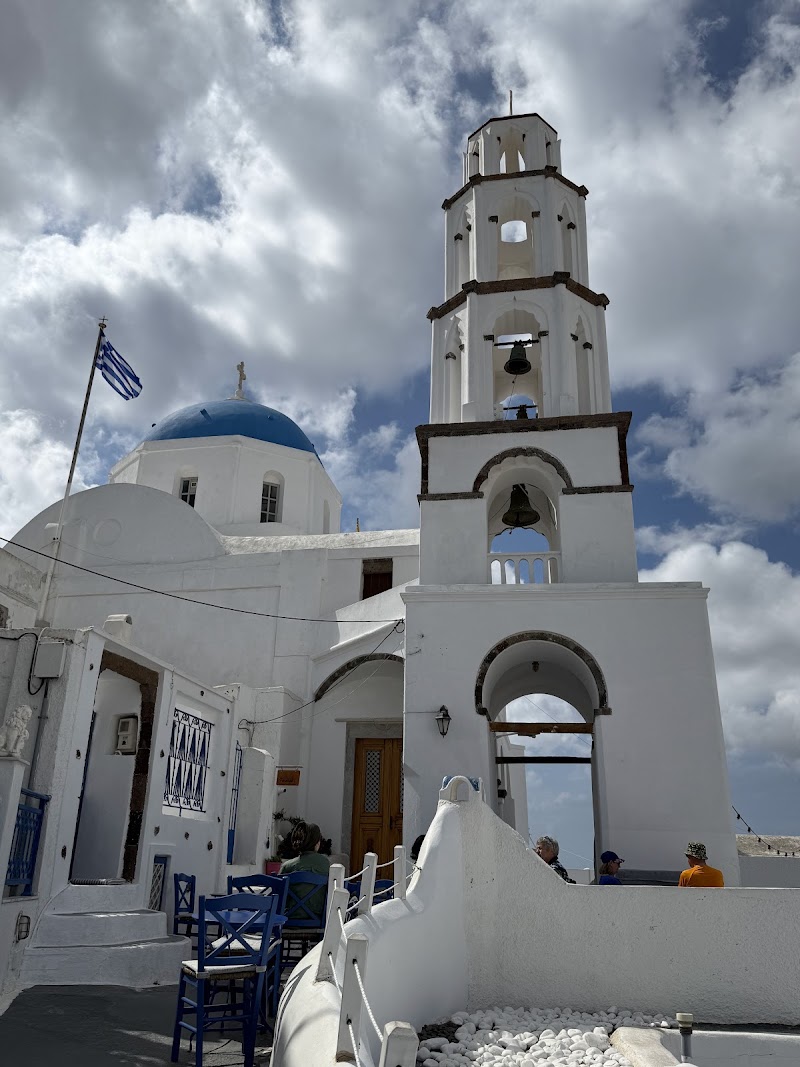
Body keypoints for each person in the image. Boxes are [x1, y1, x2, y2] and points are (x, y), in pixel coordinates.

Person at [279, 821, 330, 917]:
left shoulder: (287, 866)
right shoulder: (325, 863)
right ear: (316, 843)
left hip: (289, 917)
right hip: (316, 916)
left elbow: (278, 895)